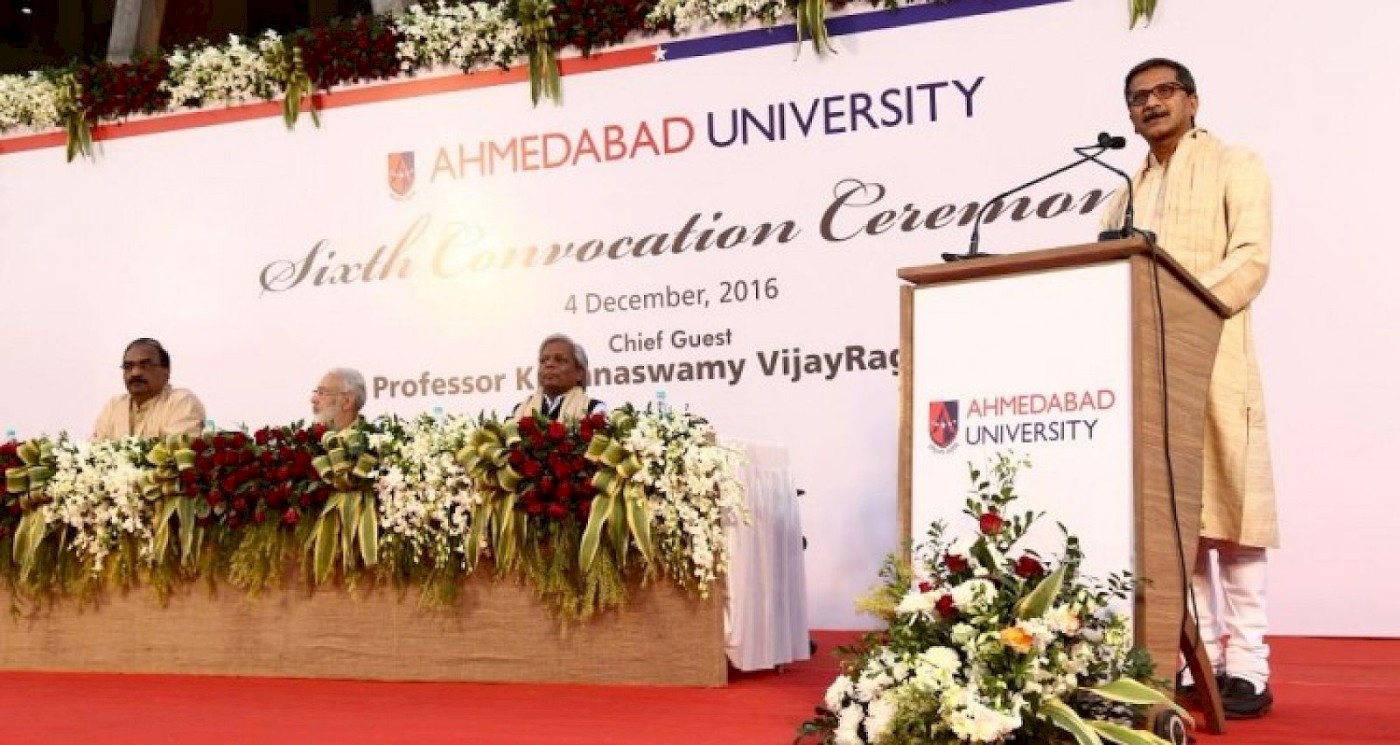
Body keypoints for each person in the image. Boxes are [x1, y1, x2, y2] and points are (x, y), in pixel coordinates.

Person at [1101, 58, 1278, 719]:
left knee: (1234, 517)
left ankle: (1249, 665)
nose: (1151, 103)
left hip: (1215, 353)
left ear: (1193, 101)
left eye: (1164, 91)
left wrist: (1186, 309)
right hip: (1146, 367)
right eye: (1138, 97)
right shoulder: (1121, 195)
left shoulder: (1237, 164)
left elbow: (1251, 257)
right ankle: (1199, 661)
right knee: (1178, 522)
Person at [92, 338, 206, 440]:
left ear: (166, 371)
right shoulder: (114, 406)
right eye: (128, 367)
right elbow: (95, 451)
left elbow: (176, 452)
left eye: (145, 365)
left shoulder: (181, 401)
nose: (135, 373)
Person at [512, 334, 606, 421]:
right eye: (543, 360)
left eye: (559, 360)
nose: (549, 364)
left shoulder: (595, 410)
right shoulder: (518, 411)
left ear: (579, 373)